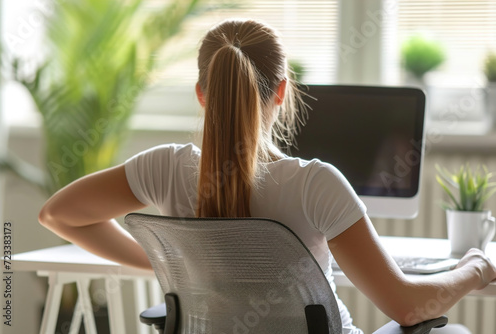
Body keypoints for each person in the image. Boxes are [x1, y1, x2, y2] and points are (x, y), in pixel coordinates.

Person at [39, 19, 496, 333]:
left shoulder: (162, 167)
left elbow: (58, 215)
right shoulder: (314, 184)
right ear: (282, 91)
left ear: (203, 94)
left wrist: (172, 260)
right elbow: (409, 307)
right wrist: (475, 269)